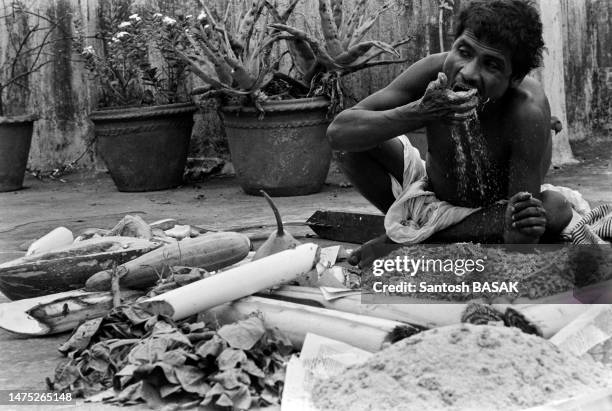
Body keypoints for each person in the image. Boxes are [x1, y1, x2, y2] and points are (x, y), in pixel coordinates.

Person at [326, 0, 573, 266]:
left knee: (553, 208)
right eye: (464, 52)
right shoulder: (434, 71)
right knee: (352, 145)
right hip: (431, 194)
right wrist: (418, 112)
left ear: (514, 78)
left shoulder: (526, 110)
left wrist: (519, 234)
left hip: (488, 213)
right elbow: (339, 132)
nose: (468, 73)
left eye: (491, 65)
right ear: (453, 45)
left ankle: (411, 240)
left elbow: (519, 217)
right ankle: (414, 230)